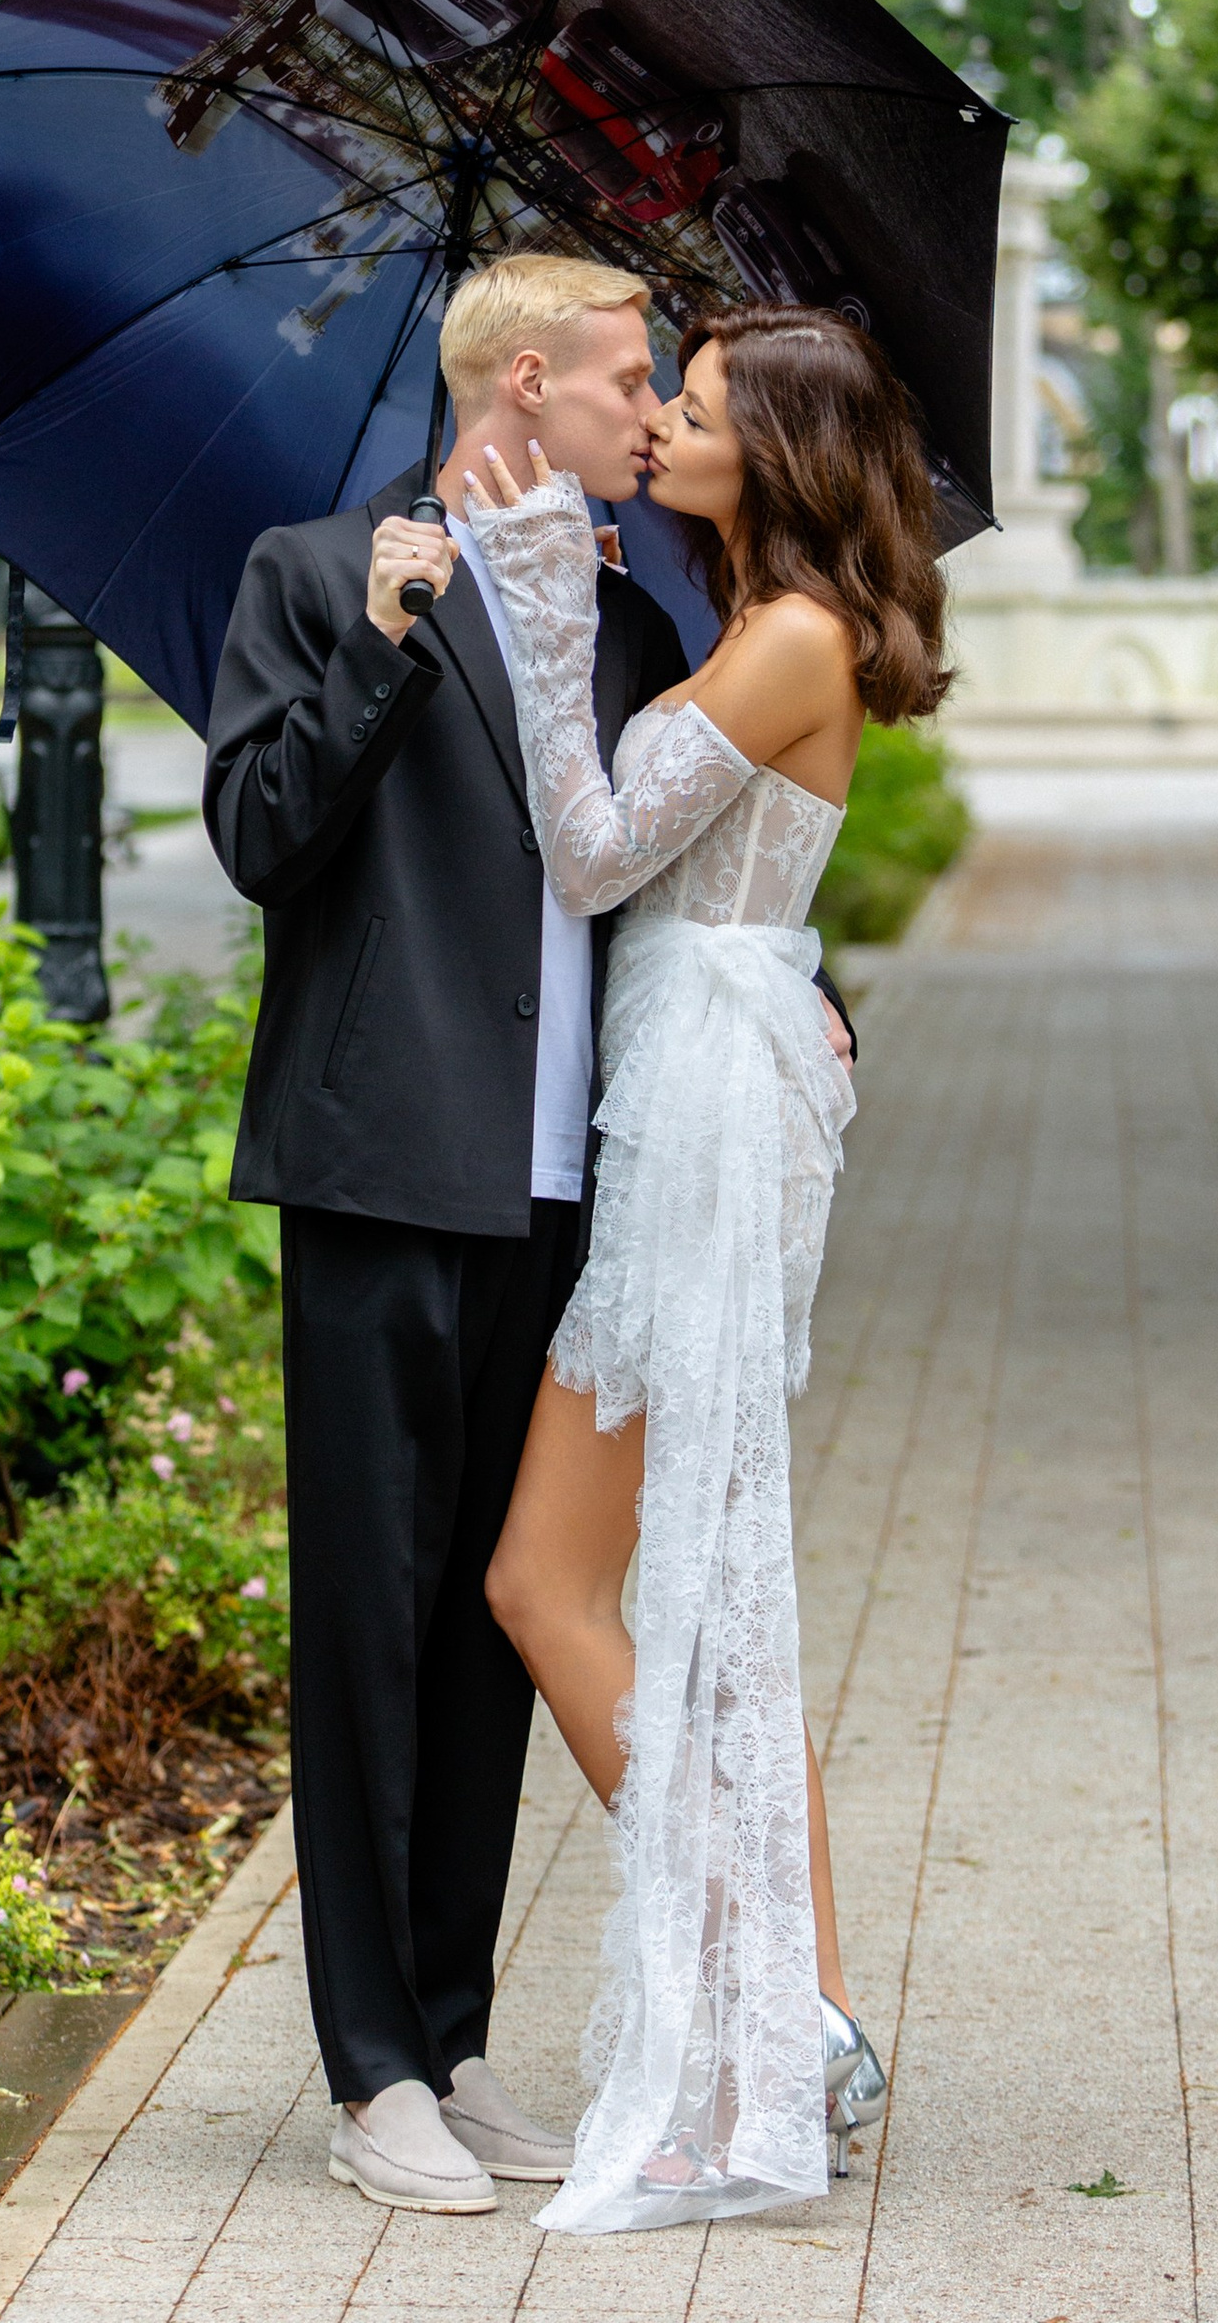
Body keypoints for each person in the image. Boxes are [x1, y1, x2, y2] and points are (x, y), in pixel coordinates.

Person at [202, 252, 854, 2218]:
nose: (645, 410)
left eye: (661, 381)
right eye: (620, 377)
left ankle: (455, 2034)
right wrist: (389, 641)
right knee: (368, 1621)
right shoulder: (320, 577)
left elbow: (687, 878)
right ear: (518, 390)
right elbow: (258, 842)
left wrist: (813, 1009)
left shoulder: (639, 619)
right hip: (379, 1164)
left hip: (573, 1185)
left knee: (490, 1619)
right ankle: (366, 2071)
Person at [462, 300, 950, 2231]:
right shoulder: (756, 623)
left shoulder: (799, 635)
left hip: (704, 1119)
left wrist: (540, 608)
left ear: (786, 451)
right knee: (708, 1593)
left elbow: (590, 854)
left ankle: (771, 2006)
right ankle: (809, 2014)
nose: (663, 415)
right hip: (699, 1084)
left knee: (546, 1577)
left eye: (703, 401)